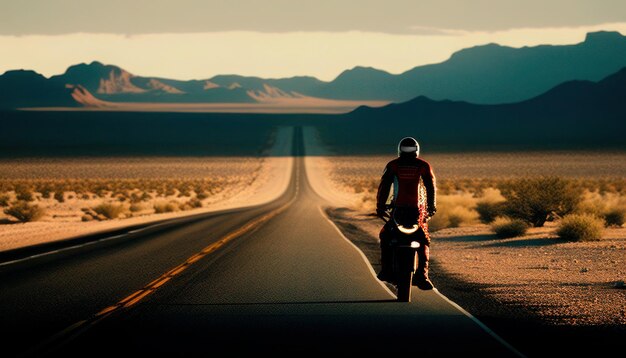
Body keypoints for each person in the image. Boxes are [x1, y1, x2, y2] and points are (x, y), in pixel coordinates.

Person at [375, 137, 437, 290]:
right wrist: (431, 206)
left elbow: (384, 187)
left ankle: (386, 271)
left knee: (386, 236)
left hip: (399, 211)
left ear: (399, 149)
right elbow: (431, 186)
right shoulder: (423, 165)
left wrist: (380, 206)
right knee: (423, 239)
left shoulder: (393, 165)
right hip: (417, 212)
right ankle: (422, 276)